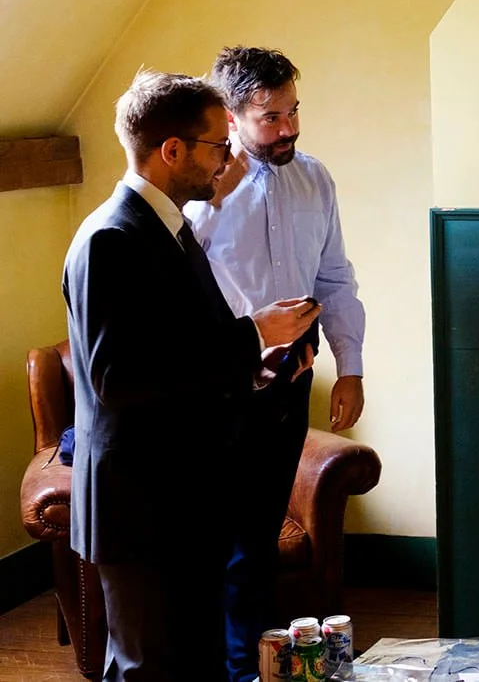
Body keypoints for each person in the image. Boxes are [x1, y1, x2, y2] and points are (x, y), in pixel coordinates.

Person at [63, 70, 320, 681]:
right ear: (172, 150)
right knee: (149, 669)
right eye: (216, 146)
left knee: (197, 664)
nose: (227, 159)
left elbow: (180, 353)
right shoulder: (111, 239)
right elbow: (116, 379)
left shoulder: (170, 226)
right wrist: (254, 332)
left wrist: (253, 370)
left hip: (186, 498)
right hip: (140, 504)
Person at [183, 46, 369, 682]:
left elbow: (334, 277)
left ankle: (260, 672)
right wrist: (209, 202)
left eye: (293, 111)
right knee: (221, 549)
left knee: (258, 543)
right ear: (230, 118)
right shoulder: (190, 196)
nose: (288, 127)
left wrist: (351, 365)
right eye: (270, 117)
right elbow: (174, 291)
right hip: (217, 394)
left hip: (292, 385)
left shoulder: (315, 178)